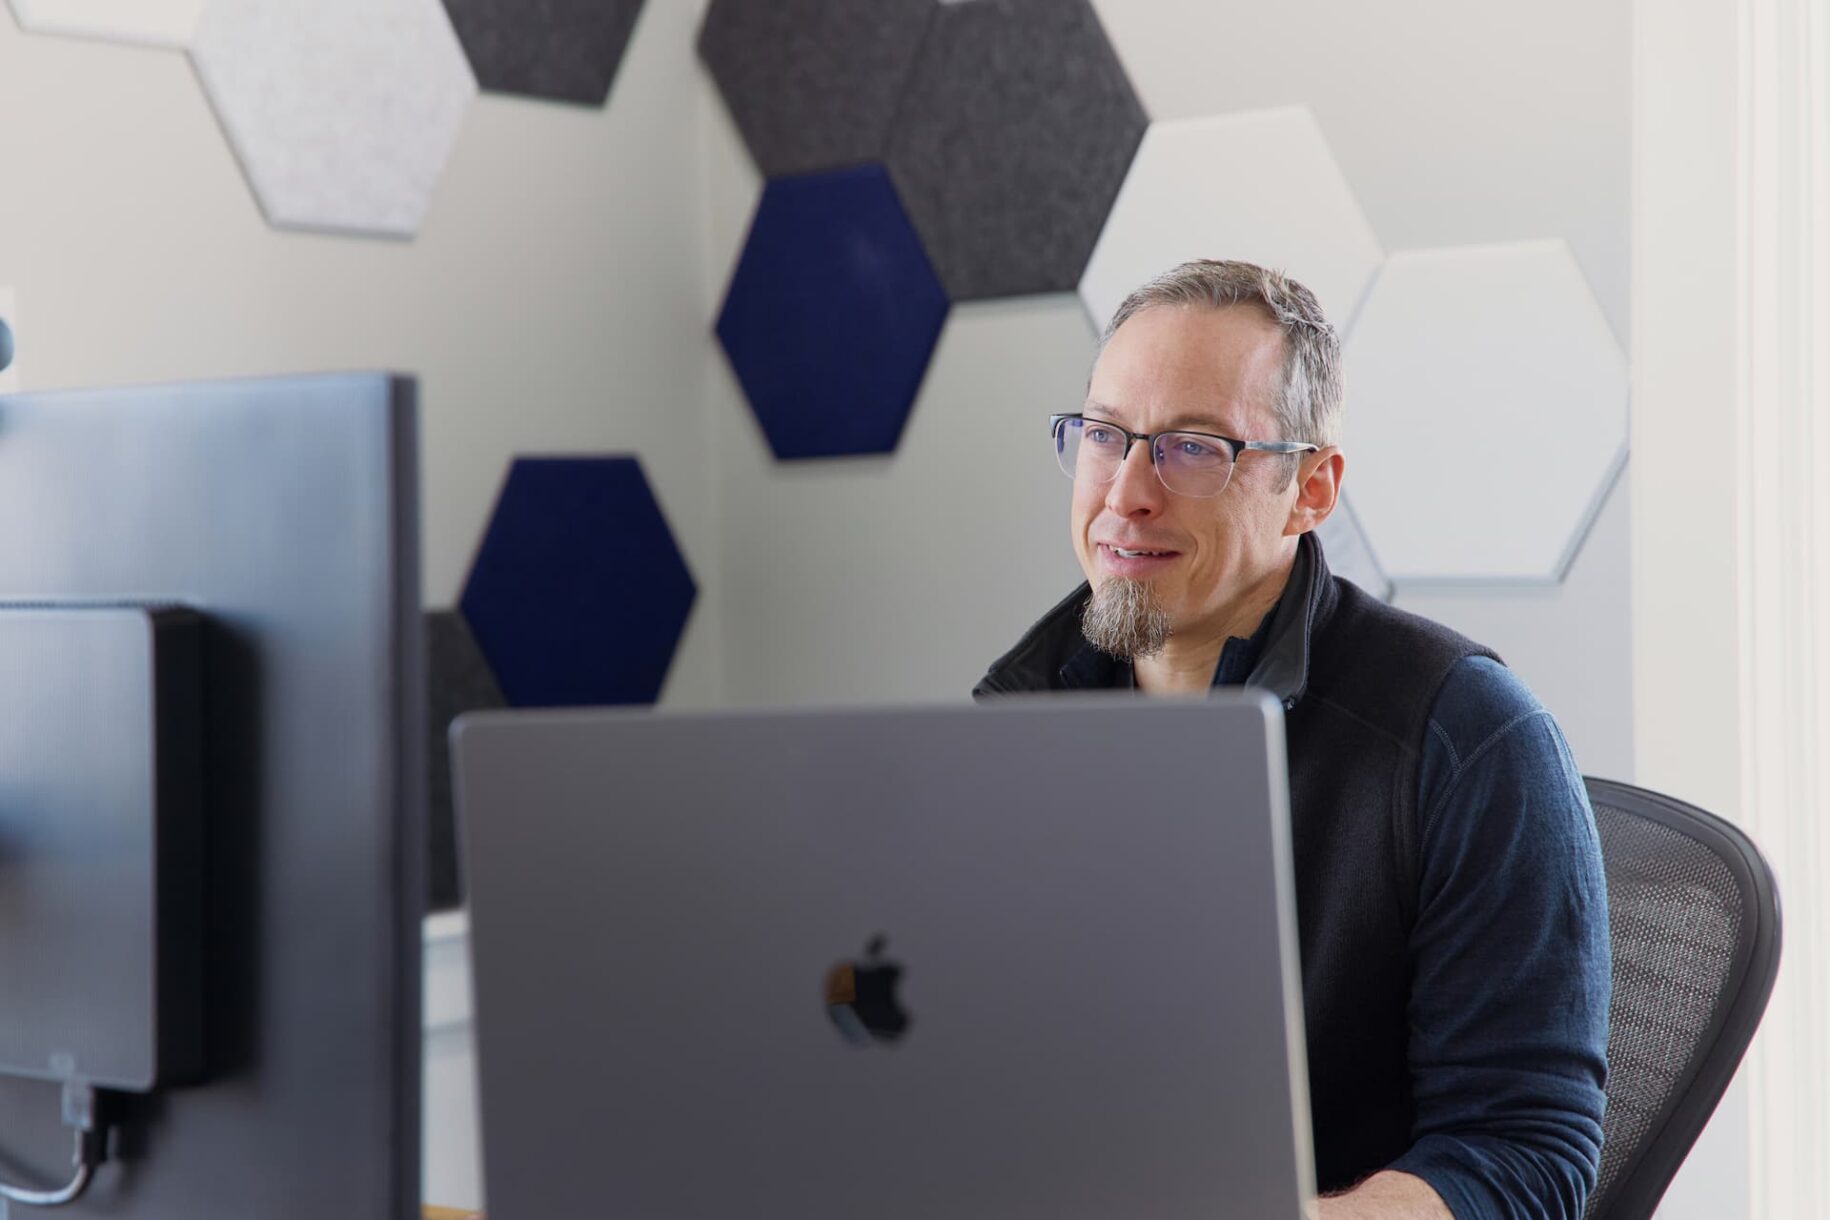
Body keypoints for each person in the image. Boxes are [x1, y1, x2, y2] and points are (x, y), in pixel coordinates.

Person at [974, 260, 1611, 1219]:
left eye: (1193, 448)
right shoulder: (1015, 724)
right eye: (1105, 435)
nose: (1127, 491)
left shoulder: (1472, 741)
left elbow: (1523, 1153)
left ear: (1310, 490)